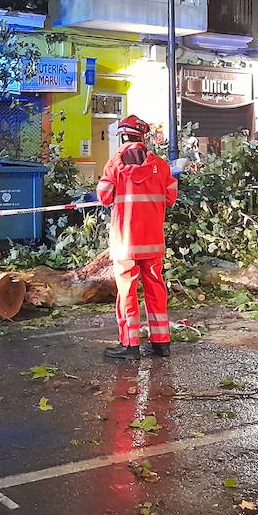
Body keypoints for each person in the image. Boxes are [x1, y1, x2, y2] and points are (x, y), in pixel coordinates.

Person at [97, 115, 177, 361]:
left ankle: (130, 345)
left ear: (122, 136)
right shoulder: (161, 166)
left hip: (126, 243)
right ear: (143, 138)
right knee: (156, 290)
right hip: (153, 242)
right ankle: (160, 343)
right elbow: (171, 197)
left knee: (127, 292)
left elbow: (104, 196)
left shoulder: (115, 165)